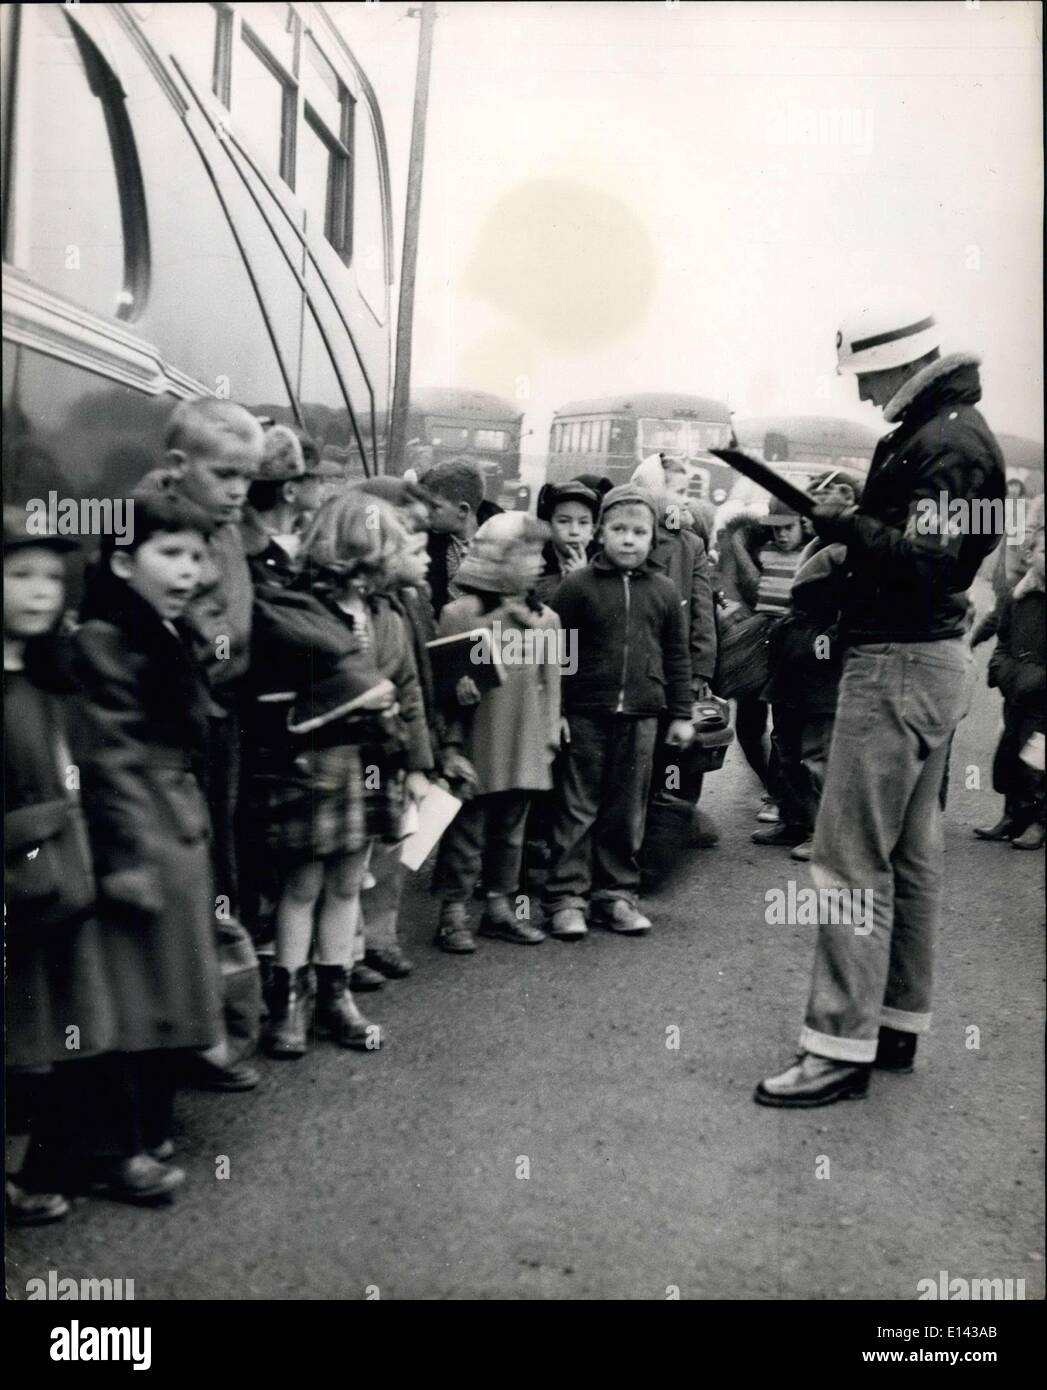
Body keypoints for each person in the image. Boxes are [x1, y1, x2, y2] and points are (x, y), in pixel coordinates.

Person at [757, 300, 1006, 1107]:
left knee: (847, 858)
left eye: (867, 378)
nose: (865, 396)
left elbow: (929, 558)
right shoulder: (960, 431)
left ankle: (835, 1046)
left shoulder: (939, 439)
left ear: (901, 366)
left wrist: (846, 525)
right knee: (907, 859)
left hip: (894, 662)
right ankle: (892, 1023)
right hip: (928, 660)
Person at [73, 487, 225, 1197]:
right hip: (142, 829)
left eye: (197, 555)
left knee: (163, 982)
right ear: (123, 560)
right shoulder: (107, 637)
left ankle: (147, 1124)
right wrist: (127, 857)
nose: (189, 571)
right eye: (171, 554)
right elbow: (107, 756)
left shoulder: (161, 631)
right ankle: (111, 1146)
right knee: (130, 992)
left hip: (175, 820)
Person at [252, 494, 432, 1055]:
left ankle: (336, 996)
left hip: (374, 761)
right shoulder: (302, 608)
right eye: (391, 543)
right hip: (318, 763)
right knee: (302, 885)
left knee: (349, 883)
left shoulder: (387, 613)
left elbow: (406, 690)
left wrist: (419, 766)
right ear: (360, 548)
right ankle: (288, 1000)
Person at [4, 509, 109, 1224]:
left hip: (48, 890)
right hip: (20, 882)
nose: (42, 590)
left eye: (51, 576)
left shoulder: (50, 677)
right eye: (20, 575)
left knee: (29, 1048)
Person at [164, 397, 266, 1090]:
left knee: (219, 867)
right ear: (177, 467)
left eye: (247, 478)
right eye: (225, 474)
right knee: (188, 874)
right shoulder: (164, 526)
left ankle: (207, 1026)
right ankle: (184, 1039)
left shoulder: (226, 523)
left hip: (224, 714)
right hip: (184, 725)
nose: (237, 490)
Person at [542, 484, 694, 938]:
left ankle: (616, 895)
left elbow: (677, 654)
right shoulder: (577, 587)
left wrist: (681, 714)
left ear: (652, 539)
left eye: (639, 532)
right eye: (619, 529)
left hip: (642, 714)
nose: (629, 540)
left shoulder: (664, 590)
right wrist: (559, 709)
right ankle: (567, 897)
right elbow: (558, 652)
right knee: (577, 805)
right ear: (601, 534)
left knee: (627, 809)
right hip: (585, 712)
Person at [350, 475, 478, 978]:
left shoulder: (414, 595)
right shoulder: (370, 604)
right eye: (405, 530)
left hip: (406, 736)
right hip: (370, 742)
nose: (416, 547)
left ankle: (378, 937)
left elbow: (422, 672)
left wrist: (440, 738)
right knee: (360, 850)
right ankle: (352, 946)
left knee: (395, 844)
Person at [432, 513, 562, 953]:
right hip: (476, 736)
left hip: (525, 739)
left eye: (540, 554)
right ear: (494, 560)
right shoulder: (457, 615)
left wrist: (548, 737)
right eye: (528, 555)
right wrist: (454, 707)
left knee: (512, 831)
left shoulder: (547, 621)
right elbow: (442, 683)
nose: (540, 564)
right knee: (466, 830)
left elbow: (551, 684)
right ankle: (452, 911)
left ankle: (499, 907)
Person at [753, 482, 858, 857]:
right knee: (786, 747)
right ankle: (796, 820)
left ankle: (824, 834)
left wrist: (821, 650)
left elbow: (852, 617)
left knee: (818, 755)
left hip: (820, 668)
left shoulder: (854, 556)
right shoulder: (817, 548)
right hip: (794, 660)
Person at [976, 525, 1045, 849]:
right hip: (1015, 692)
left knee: (1037, 761)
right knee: (1008, 755)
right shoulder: (1018, 596)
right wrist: (999, 669)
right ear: (1030, 555)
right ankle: (1011, 817)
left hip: (1043, 700)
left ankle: (1037, 822)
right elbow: (1003, 638)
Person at [422, 456, 502, 616]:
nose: (426, 513)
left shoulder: (504, 541)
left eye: (435, 507)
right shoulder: (424, 541)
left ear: (463, 510)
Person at [534, 479, 601, 604]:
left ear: (593, 531)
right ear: (549, 527)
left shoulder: (604, 570)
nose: (574, 531)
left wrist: (583, 581)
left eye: (583, 522)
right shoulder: (535, 568)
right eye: (564, 521)